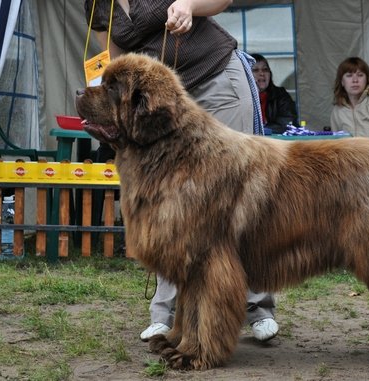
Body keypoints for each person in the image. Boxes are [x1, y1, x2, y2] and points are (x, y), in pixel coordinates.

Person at [84, 0, 278, 342]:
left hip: (215, 79)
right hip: (157, 106)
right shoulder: (97, 2)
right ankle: (167, 314)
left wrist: (189, 5)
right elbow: (115, 58)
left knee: (235, 198)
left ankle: (257, 307)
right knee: (166, 208)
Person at [251, 53, 297, 134]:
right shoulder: (240, 97)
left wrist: (262, 130)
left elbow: (288, 123)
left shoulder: (280, 95)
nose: (261, 73)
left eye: (265, 70)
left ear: (270, 74)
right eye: (255, 70)